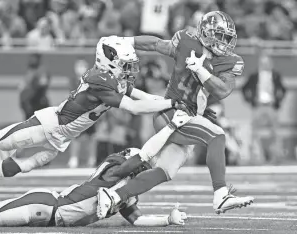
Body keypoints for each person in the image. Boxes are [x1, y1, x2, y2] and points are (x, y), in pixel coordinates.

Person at [0, 36, 191, 201]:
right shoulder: (99, 79)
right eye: (125, 66)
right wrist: (171, 102)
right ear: (109, 62)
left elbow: (142, 98)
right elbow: (132, 107)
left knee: (12, 169)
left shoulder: (112, 78)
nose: (129, 71)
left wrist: (172, 102)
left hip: (61, 140)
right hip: (49, 126)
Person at [96, 11, 254, 217]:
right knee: (217, 135)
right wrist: (124, 40)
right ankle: (221, 194)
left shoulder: (229, 61)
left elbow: (223, 90)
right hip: (171, 112)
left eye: (226, 37)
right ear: (206, 32)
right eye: (219, 35)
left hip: (188, 115)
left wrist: (202, 72)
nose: (224, 42)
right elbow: (155, 44)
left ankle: (114, 196)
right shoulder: (186, 42)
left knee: (165, 171)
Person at [0, 109, 191, 225]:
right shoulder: (114, 171)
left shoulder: (126, 190)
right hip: (46, 205)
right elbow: (142, 156)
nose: (144, 167)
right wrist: (170, 128)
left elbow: (138, 220)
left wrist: (167, 220)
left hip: (51, 214)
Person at [242, 52, 286, 163]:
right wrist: (250, 100)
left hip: (271, 106)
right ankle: (255, 157)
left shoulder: (275, 75)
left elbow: (283, 89)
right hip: (258, 106)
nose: (265, 65)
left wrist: (278, 100)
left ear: (270, 63)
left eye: (267, 62)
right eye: (263, 62)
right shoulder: (254, 75)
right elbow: (244, 88)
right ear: (260, 63)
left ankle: (277, 157)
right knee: (254, 132)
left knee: (276, 132)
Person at [19, 53, 51, 120]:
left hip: (37, 102)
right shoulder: (29, 71)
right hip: (28, 102)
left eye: (34, 58)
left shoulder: (41, 71)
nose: (32, 60)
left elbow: (43, 84)